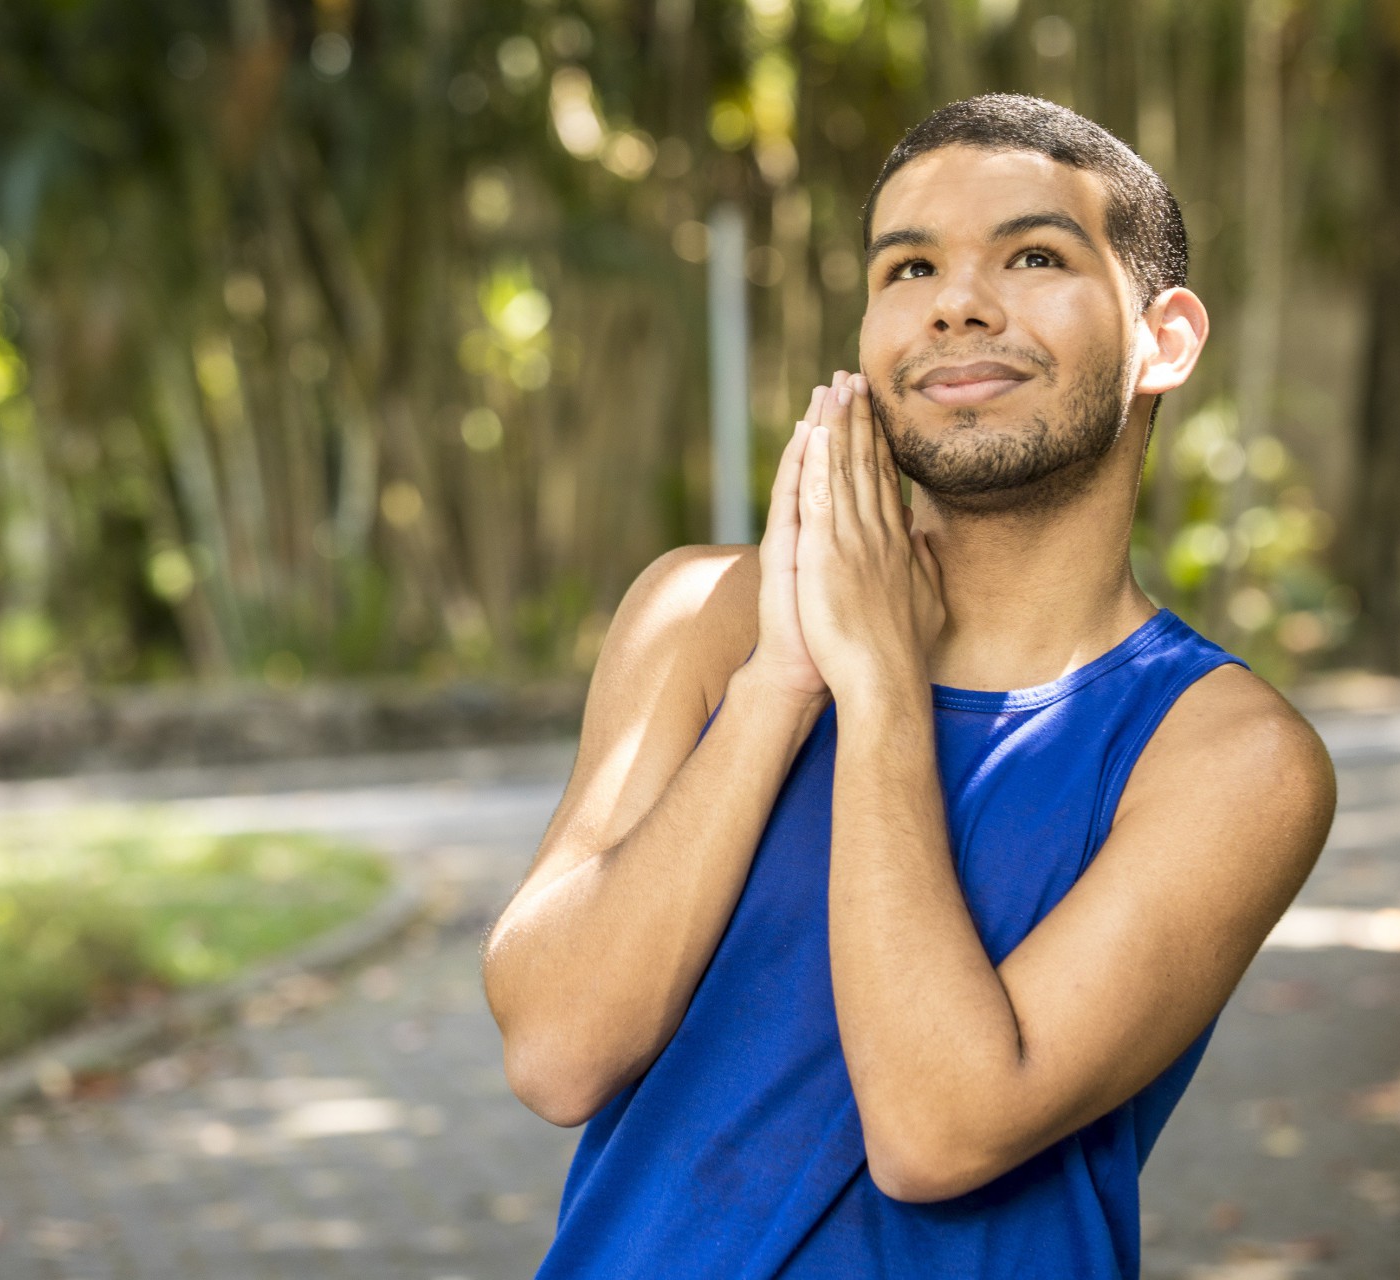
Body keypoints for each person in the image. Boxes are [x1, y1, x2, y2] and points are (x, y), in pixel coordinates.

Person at [481, 92, 1336, 1279]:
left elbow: (939, 1128)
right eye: (909, 266)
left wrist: (880, 690)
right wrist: (784, 677)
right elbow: (557, 1051)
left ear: (1166, 340)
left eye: (1034, 255)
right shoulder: (698, 617)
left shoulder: (1228, 756)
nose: (957, 300)